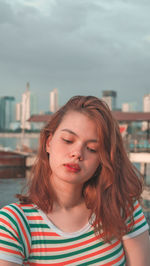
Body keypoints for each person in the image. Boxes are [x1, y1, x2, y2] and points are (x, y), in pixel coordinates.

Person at [0, 95, 150, 266]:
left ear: (103, 159)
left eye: (92, 149)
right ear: (48, 142)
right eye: (68, 140)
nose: (77, 153)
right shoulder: (14, 224)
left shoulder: (121, 208)